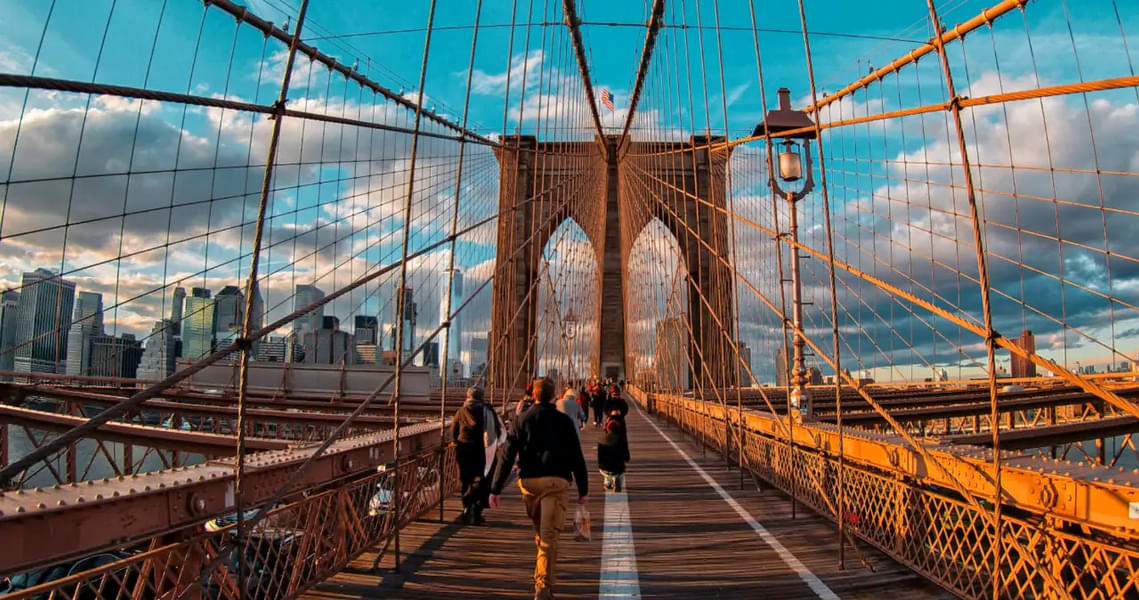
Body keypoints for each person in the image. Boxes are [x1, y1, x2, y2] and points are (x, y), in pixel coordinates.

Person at [490, 377, 588, 600]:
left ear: (533, 395)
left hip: (529, 484)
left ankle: (542, 573)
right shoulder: (563, 421)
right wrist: (583, 489)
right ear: (554, 396)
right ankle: (543, 587)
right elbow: (576, 457)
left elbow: (506, 457)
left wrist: (495, 489)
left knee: (542, 534)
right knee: (548, 536)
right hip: (556, 482)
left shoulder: (521, 419)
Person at [450, 386, 502, 525]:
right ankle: (477, 511)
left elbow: (454, 429)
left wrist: (455, 441)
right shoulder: (487, 410)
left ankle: (466, 509)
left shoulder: (461, 411)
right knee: (483, 478)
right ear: (481, 397)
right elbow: (496, 430)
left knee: (465, 479)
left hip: (464, 449)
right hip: (482, 450)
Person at [598, 408, 630, 492]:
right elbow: (626, 455)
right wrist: (626, 459)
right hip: (618, 468)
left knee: (607, 473)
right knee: (620, 470)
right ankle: (617, 480)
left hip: (604, 468)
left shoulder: (601, 440)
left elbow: (600, 457)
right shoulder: (621, 440)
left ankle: (608, 484)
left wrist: (600, 465)